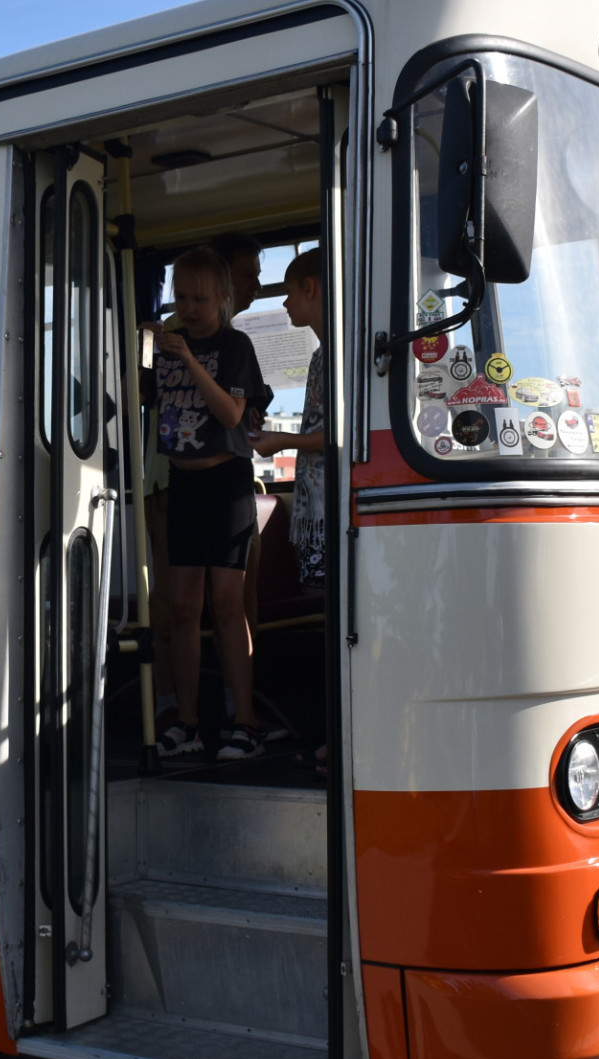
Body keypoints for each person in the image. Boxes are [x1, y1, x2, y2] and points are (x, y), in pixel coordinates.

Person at [146, 247, 267, 761]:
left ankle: (245, 721)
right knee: (180, 608)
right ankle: (188, 721)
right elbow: (139, 399)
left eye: (199, 298)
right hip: (182, 483)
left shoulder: (234, 345)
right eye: (182, 298)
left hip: (227, 481)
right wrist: (140, 348)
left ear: (222, 298)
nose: (189, 308)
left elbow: (232, 413)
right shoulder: (163, 349)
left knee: (225, 603)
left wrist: (190, 359)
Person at [251, 249, 330, 774]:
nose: (283, 302)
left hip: (327, 512)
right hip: (315, 510)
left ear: (312, 288)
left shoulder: (339, 350)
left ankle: (333, 737)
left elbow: (338, 436)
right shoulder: (325, 355)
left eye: (289, 290)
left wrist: (283, 439)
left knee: (334, 626)